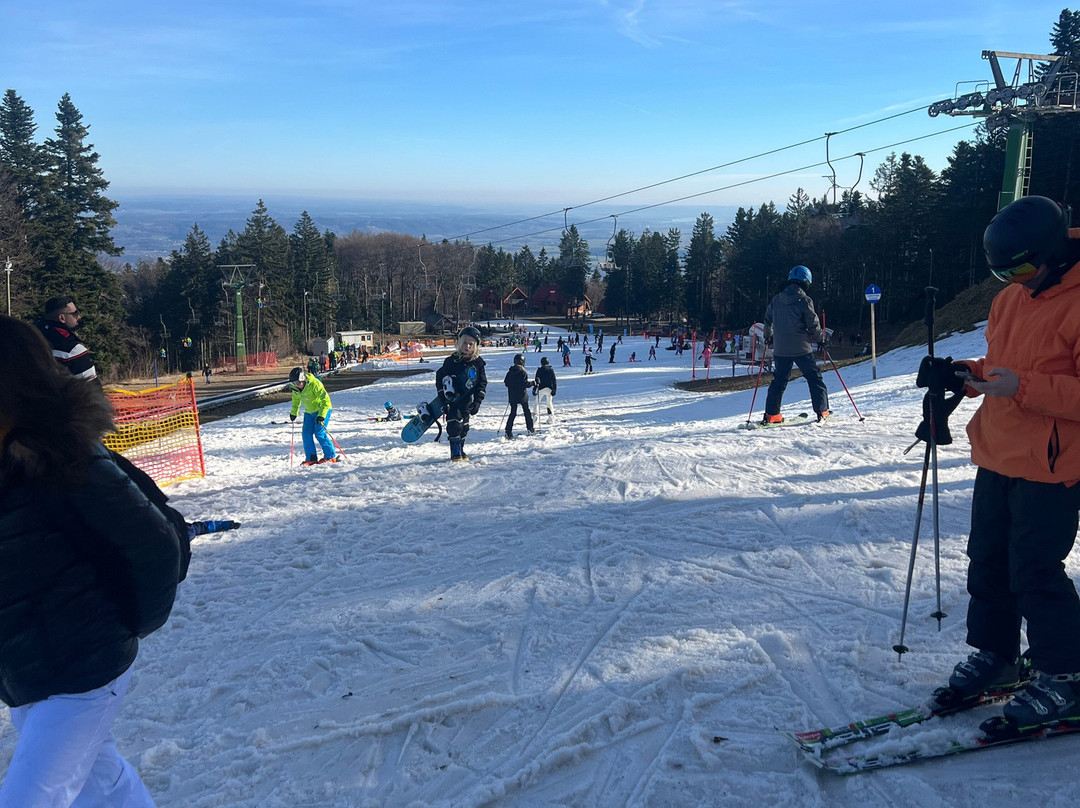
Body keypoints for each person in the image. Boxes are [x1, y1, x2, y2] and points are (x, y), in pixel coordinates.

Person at [0, 314, 184, 808]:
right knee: (104, 788)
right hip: (27, 672)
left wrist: (125, 629)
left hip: (82, 670)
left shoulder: (62, 455)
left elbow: (155, 545)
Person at [922, 196, 1080, 732]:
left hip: (1054, 463)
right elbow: (1003, 366)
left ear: (1054, 253)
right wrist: (964, 372)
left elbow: (1034, 381)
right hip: (998, 450)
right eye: (1003, 273)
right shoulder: (1013, 297)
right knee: (988, 561)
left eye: (1024, 269)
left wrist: (1025, 387)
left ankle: (1064, 675)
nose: (1016, 280)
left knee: (1034, 570)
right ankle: (998, 656)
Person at [761, 266, 830, 424]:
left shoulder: (776, 299)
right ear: (806, 281)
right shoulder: (804, 300)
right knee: (814, 378)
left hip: (780, 348)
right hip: (801, 348)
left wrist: (768, 336)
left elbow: (767, 319)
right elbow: (813, 323)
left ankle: (772, 415)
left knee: (779, 380)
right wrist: (821, 339)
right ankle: (822, 410)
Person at [435, 326, 487, 462]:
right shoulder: (451, 361)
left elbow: (481, 383)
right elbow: (440, 377)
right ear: (459, 343)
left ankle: (461, 449)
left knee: (465, 426)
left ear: (475, 346)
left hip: (467, 400)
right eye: (464, 343)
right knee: (454, 425)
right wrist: (443, 398)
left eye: (471, 344)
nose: (467, 346)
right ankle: (455, 452)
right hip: (452, 400)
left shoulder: (478, 363)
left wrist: (477, 402)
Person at [34, 296, 98, 383]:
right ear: (62, 318)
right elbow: (93, 391)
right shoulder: (72, 350)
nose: (78, 317)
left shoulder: (28, 339)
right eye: (75, 313)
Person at [288, 367, 337, 466]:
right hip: (309, 412)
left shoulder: (314, 384)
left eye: (297, 383)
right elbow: (296, 401)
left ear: (303, 379)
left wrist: (321, 416)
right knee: (306, 434)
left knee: (319, 432)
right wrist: (294, 413)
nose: (296, 385)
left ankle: (330, 456)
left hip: (322, 410)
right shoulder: (296, 389)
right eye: (294, 383)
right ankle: (311, 458)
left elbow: (325, 401)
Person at [502, 354, 535, 439]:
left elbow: (506, 383)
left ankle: (508, 432)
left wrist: (513, 386)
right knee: (527, 412)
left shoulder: (510, 372)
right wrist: (533, 383)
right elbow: (525, 384)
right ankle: (530, 429)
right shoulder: (522, 371)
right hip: (522, 395)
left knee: (513, 413)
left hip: (512, 395)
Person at [534, 356, 557, 423]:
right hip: (549, 389)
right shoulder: (550, 370)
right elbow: (554, 380)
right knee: (549, 403)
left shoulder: (539, 370)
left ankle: (535, 416)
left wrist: (535, 389)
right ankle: (551, 417)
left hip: (541, 389)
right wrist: (554, 389)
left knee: (536, 403)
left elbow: (536, 380)